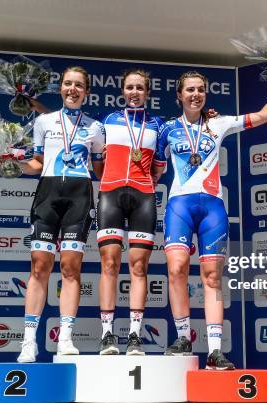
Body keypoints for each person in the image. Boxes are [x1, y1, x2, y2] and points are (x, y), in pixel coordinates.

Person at [153, 70, 267, 369]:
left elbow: (265, 115)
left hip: (213, 208)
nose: (195, 94)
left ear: (205, 94)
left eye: (200, 90)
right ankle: (183, 338)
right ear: (179, 95)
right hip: (179, 205)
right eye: (189, 90)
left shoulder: (219, 123)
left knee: (213, 277)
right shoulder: (166, 130)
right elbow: (154, 171)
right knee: (177, 269)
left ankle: (215, 351)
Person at [16, 66, 105, 362]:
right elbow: (38, 164)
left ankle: (65, 337)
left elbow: (99, 169)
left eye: (79, 85)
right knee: (39, 267)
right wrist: (13, 161)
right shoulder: (43, 121)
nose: (73, 89)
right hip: (48, 194)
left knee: (70, 268)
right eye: (68, 83)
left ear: (87, 92)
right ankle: (29, 341)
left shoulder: (95, 128)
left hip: (79, 197)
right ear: (60, 88)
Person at [96, 68, 164, 355]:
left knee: (138, 266)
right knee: (109, 263)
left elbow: (158, 169)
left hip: (143, 196)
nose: (134, 92)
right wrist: (109, 181)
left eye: (140, 88)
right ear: (122, 91)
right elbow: (98, 163)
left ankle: (135, 335)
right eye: (130, 87)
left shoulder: (158, 125)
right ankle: (107, 335)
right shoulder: (107, 123)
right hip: (110, 193)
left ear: (147, 92)